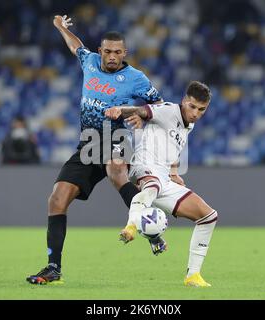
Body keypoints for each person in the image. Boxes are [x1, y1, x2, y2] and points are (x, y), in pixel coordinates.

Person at [26, 15, 163, 285]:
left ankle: (151, 228)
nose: (112, 56)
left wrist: (141, 115)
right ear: (100, 51)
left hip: (116, 136)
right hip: (88, 142)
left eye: (117, 52)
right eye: (107, 51)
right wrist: (60, 27)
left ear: (125, 53)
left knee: (116, 170)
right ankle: (53, 268)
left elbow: (159, 104)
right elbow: (75, 45)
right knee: (57, 198)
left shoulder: (135, 78)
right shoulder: (89, 62)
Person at [105, 81, 218, 287]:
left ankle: (193, 275)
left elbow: (172, 147)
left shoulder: (188, 125)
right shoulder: (168, 110)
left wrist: (174, 171)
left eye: (201, 109)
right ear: (184, 101)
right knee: (153, 185)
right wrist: (120, 110)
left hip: (163, 177)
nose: (195, 113)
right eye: (192, 106)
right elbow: (141, 110)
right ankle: (131, 225)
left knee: (208, 216)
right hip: (143, 166)